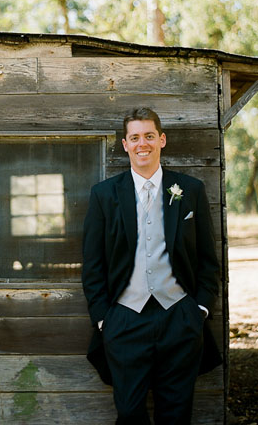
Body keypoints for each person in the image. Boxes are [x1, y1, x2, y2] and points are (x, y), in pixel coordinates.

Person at [82, 107, 221, 424]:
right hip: (125, 319)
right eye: (135, 137)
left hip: (180, 317)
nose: (142, 143)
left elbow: (207, 260)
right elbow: (93, 264)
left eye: (148, 136)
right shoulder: (104, 195)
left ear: (162, 139)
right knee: (130, 413)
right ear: (125, 144)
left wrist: (198, 309)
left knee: (176, 415)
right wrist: (105, 319)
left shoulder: (190, 190)